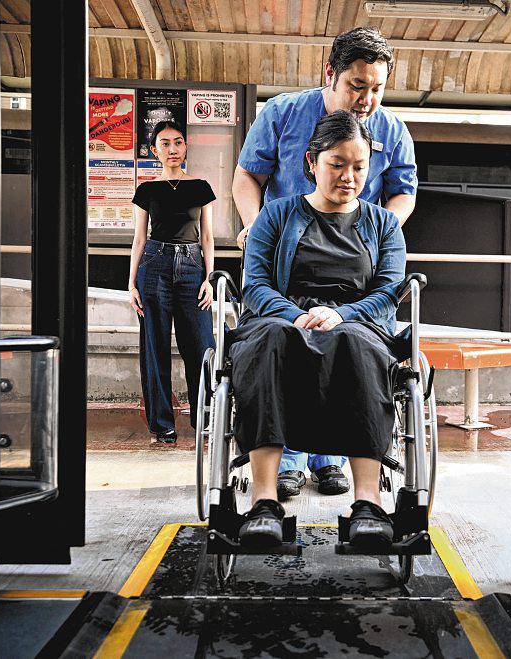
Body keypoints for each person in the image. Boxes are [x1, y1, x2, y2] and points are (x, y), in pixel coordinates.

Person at [232, 26, 418, 500]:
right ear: (330, 74)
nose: (367, 99)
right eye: (358, 85)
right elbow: (248, 176)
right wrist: (258, 229)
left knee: (353, 341)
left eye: (377, 88)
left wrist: (379, 233)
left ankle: (335, 460)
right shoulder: (284, 113)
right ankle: (284, 466)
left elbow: (403, 193)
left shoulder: (391, 131)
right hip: (286, 260)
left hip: (354, 267)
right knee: (279, 337)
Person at [231, 110, 406, 547]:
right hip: (282, 316)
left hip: (356, 321)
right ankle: (264, 501)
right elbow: (254, 285)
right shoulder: (275, 215)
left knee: (357, 344)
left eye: (359, 167)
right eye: (337, 164)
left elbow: (389, 292)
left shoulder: (384, 224)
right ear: (312, 162)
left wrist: (342, 314)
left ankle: (368, 503)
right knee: (268, 340)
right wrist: (294, 315)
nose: (349, 176)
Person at [129, 120, 216, 444]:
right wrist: (132, 284)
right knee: (155, 347)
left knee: (201, 346)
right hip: (154, 266)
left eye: (178, 142)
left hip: (193, 268)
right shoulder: (147, 190)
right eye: (165, 143)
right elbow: (139, 239)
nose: (173, 149)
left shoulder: (201, 187)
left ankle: (206, 420)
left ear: (185, 147)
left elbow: (207, 237)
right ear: (155, 150)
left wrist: (208, 278)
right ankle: (163, 425)